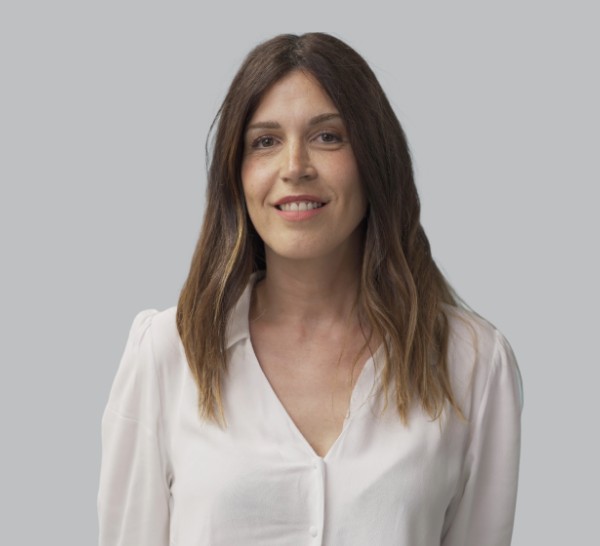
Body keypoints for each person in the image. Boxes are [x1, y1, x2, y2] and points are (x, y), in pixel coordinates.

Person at [97, 32, 523, 546]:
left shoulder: (472, 364)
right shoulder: (169, 354)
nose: (294, 167)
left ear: (374, 160)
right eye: (265, 142)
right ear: (236, 175)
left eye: (327, 137)